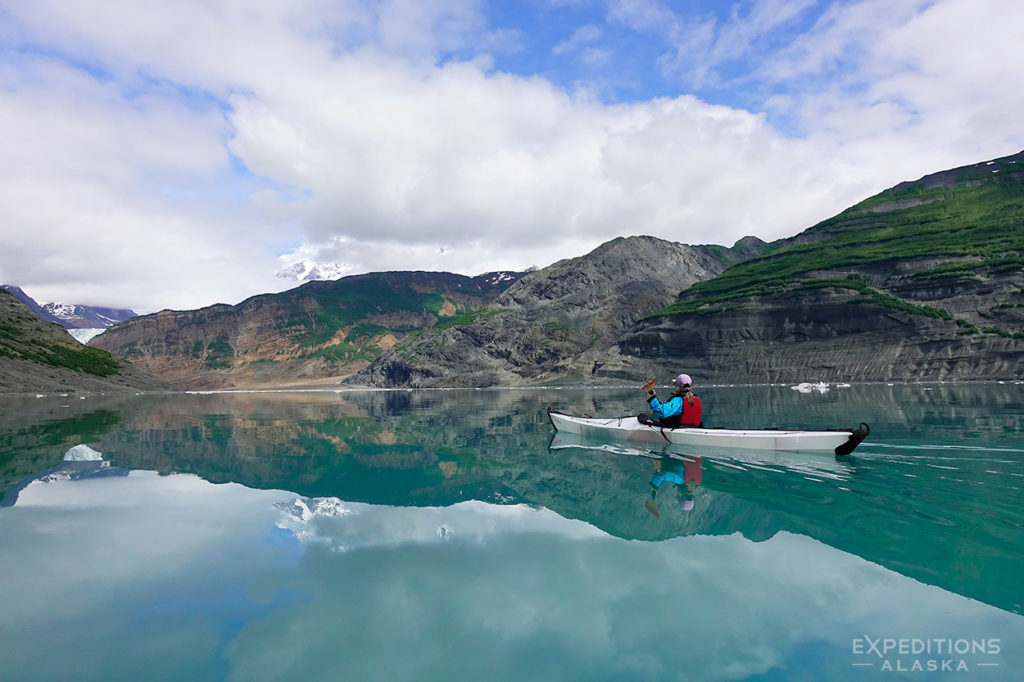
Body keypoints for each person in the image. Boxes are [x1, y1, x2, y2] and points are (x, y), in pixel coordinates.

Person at [638, 373, 702, 428]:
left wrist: (653, 398)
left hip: (679, 428)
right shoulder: (695, 398)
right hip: (695, 428)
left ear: (677, 387)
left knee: (642, 417)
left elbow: (662, 412)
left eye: (675, 385)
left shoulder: (678, 400)